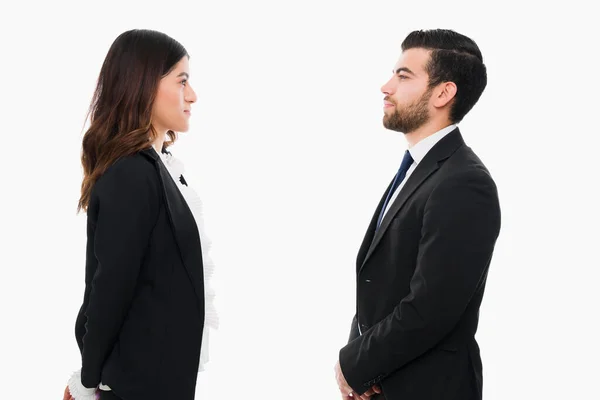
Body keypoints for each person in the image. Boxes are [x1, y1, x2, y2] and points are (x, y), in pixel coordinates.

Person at [334, 29, 501, 400]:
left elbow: (432, 307)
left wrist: (354, 364)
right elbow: (379, 288)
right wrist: (361, 373)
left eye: (403, 75)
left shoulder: (464, 182)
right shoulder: (418, 170)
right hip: (384, 385)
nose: (385, 86)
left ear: (443, 93)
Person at [63, 29, 218, 400]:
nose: (192, 95)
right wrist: (86, 380)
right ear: (145, 84)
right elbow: (110, 288)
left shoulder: (155, 168)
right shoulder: (131, 172)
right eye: (182, 81)